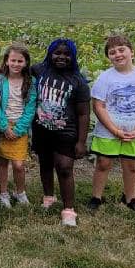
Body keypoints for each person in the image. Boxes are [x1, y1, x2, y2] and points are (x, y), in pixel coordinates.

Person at [88, 34, 135, 214]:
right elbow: (98, 106)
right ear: (108, 57)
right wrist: (114, 130)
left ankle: (130, 199)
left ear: (132, 52)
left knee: (131, 166)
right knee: (103, 163)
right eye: (112, 52)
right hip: (107, 131)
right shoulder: (105, 78)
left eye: (121, 50)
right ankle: (96, 197)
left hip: (134, 131)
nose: (117, 54)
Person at [32, 38, 91, 226]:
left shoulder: (79, 81)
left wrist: (81, 142)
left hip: (66, 131)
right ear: (50, 54)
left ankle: (68, 209)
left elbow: (83, 113)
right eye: (57, 53)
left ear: (73, 57)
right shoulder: (40, 70)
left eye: (67, 54)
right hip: (41, 128)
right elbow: (17, 70)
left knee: (65, 167)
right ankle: (48, 197)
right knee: (45, 164)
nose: (61, 57)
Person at [0, 43, 37, 208]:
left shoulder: (31, 82)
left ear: (26, 62)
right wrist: (4, 127)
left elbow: (31, 108)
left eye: (20, 61)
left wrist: (18, 129)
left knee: (19, 164)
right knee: (2, 161)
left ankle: (20, 192)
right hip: (3, 126)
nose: (16, 64)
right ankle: (3, 193)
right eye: (13, 60)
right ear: (6, 61)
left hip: (20, 127)